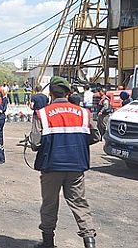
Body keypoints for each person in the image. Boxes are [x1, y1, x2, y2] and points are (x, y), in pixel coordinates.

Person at [29, 76, 96, 248]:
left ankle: (48, 242)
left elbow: (35, 143)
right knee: (79, 203)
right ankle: (89, 242)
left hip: (51, 166)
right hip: (76, 165)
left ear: (50, 93)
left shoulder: (42, 114)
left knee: (50, 204)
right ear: (68, 93)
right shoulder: (84, 113)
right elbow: (95, 136)